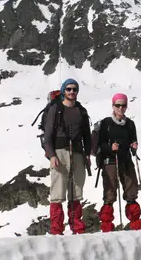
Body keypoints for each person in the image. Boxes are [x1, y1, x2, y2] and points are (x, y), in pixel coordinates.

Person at [43, 78, 92, 235]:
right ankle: (56, 229)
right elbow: (48, 135)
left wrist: (88, 154)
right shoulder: (55, 109)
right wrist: (51, 155)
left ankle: (77, 227)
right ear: (63, 91)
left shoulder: (81, 111)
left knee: (76, 191)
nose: (72, 92)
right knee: (58, 192)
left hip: (78, 153)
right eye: (69, 89)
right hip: (59, 153)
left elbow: (87, 136)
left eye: (74, 89)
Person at [91, 93, 141, 232]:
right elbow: (101, 144)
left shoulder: (130, 124)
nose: (121, 108)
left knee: (131, 190)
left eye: (123, 105)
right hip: (110, 160)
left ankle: (135, 224)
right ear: (113, 106)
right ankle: (107, 226)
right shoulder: (106, 123)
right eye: (118, 105)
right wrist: (110, 148)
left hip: (126, 159)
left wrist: (134, 144)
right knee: (110, 193)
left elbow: (133, 139)